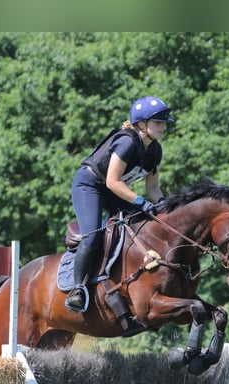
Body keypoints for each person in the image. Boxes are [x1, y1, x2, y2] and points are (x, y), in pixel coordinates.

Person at [65, 96, 175, 314]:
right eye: (158, 122)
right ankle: (77, 289)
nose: (163, 127)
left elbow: (153, 187)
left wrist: (164, 206)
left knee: (145, 225)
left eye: (164, 122)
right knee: (93, 236)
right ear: (142, 125)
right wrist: (139, 201)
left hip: (115, 190)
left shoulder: (155, 150)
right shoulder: (126, 143)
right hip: (91, 185)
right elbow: (112, 181)